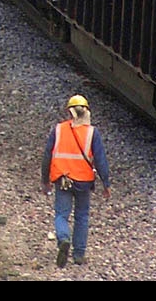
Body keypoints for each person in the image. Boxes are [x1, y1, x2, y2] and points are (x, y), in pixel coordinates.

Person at [41, 94, 111, 268]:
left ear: (69, 112)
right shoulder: (92, 132)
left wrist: (45, 180)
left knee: (61, 214)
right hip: (83, 182)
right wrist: (106, 183)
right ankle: (78, 254)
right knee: (82, 216)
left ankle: (64, 239)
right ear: (86, 111)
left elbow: (47, 155)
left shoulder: (58, 130)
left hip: (62, 179)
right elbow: (101, 160)